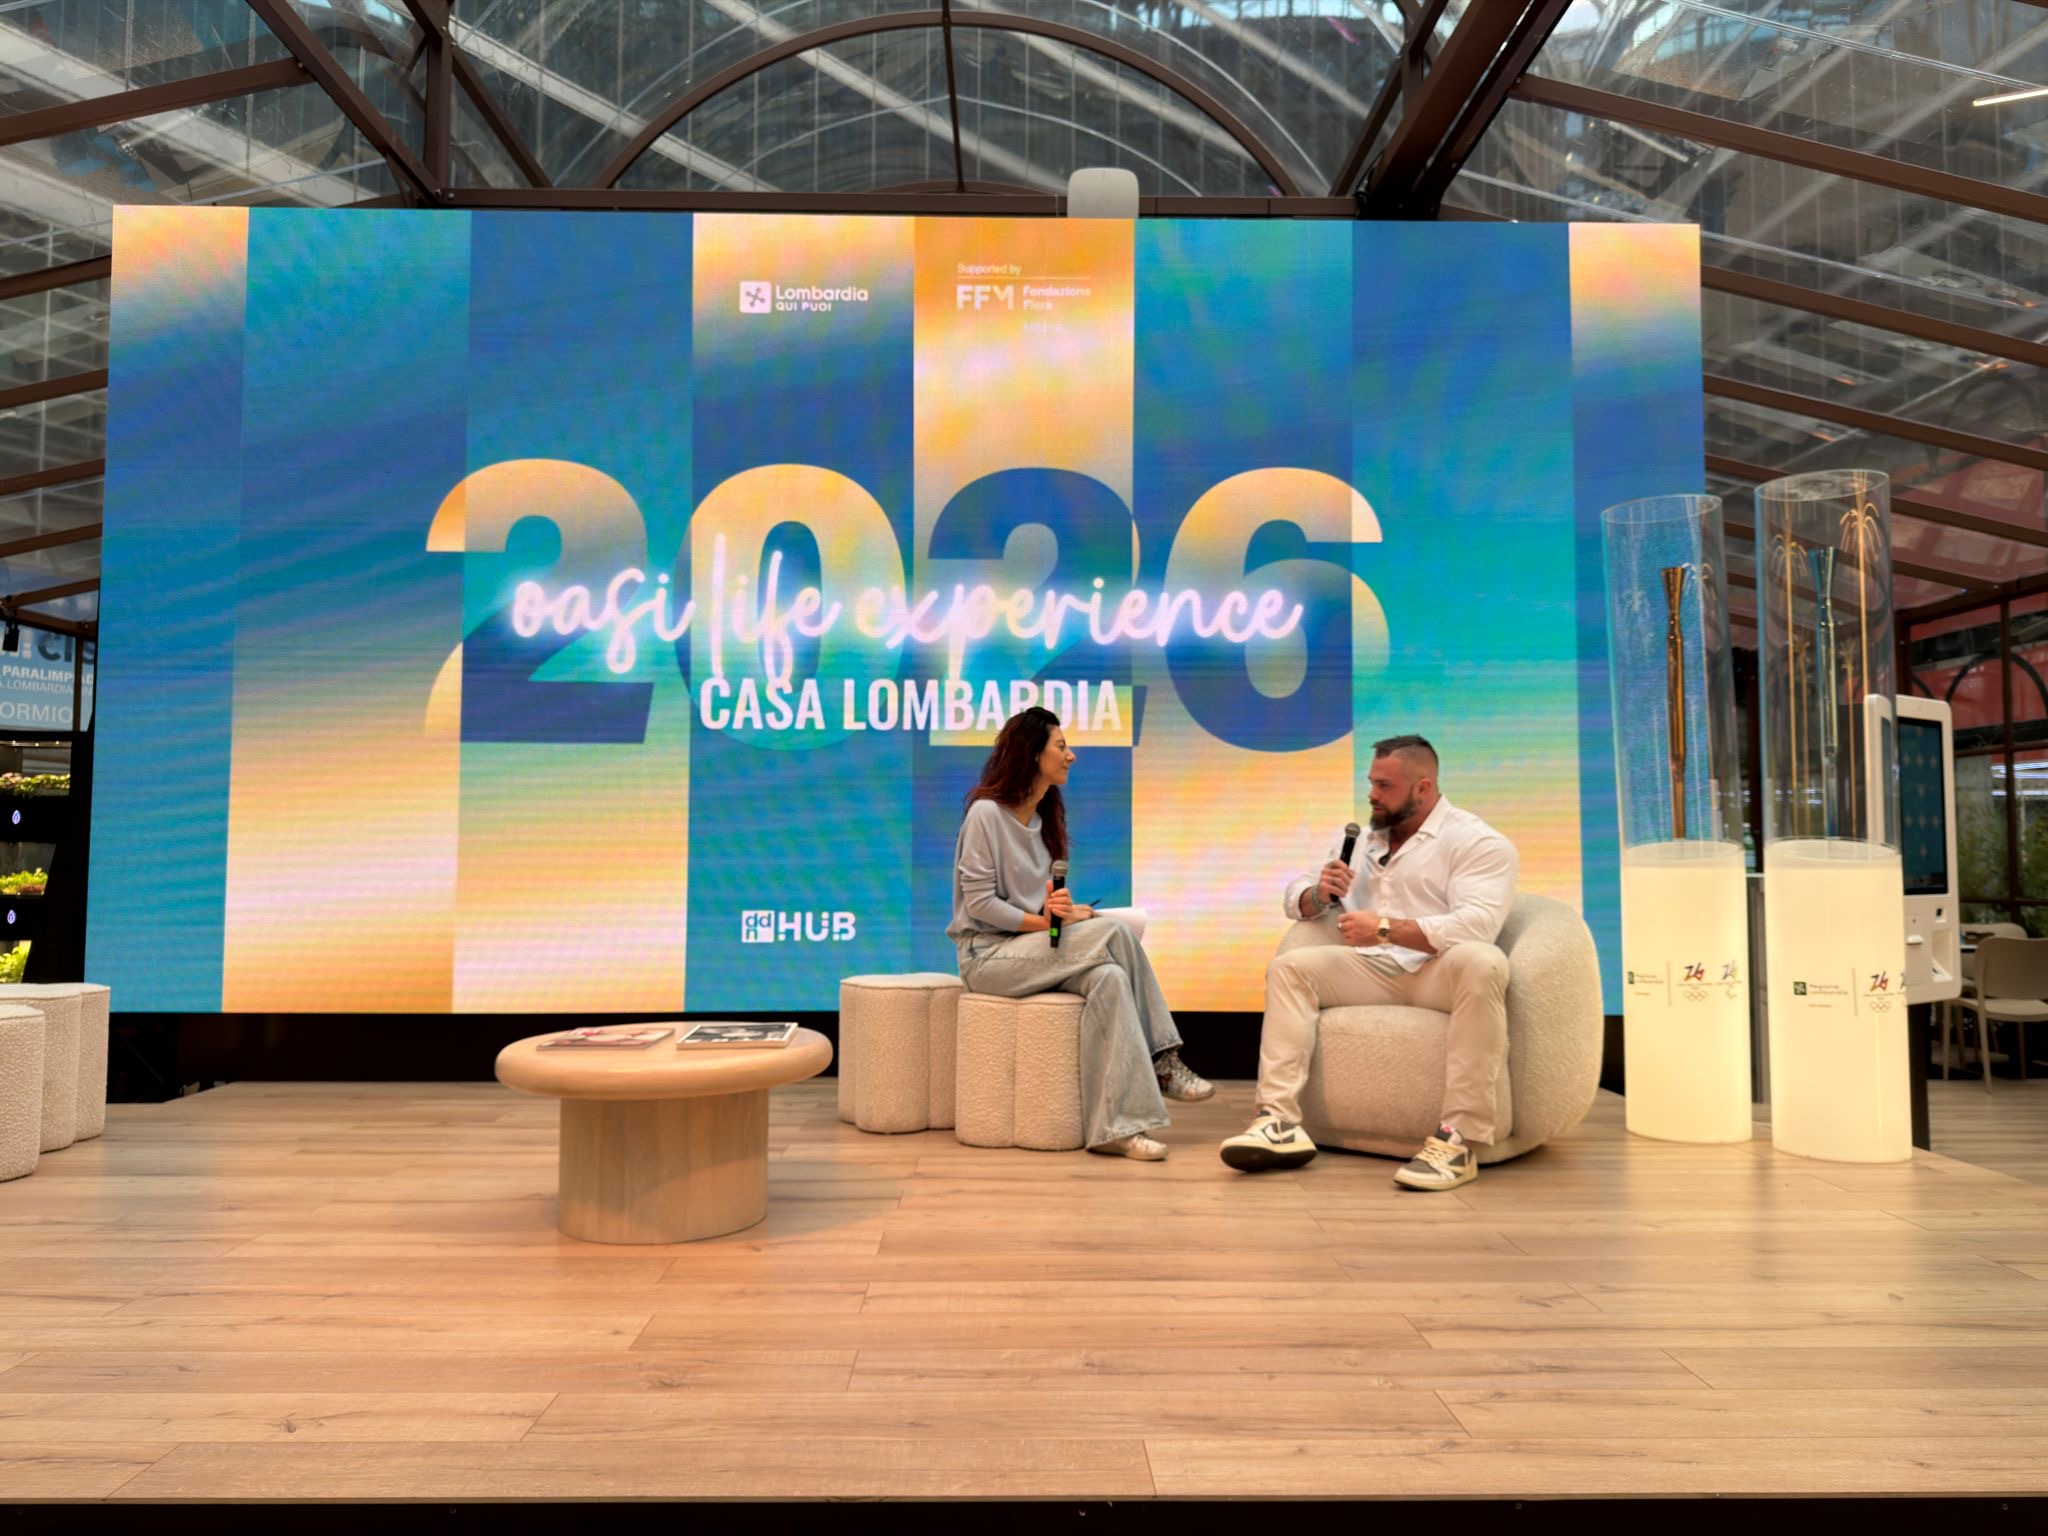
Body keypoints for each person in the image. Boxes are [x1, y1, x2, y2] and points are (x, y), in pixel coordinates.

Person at [1220, 734, 1517, 1189]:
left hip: (1438, 970)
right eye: (1371, 783)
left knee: (1483, 961)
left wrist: (1384, 929)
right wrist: (1319, 894)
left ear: (1423, 787)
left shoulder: (1477, 841)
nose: (1373, 795)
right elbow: (1295, 894)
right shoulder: (1362, 838)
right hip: (1375, 969)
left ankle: (1458, 1141)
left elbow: (1476, 926)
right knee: (1291, 968)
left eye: (1385, 786)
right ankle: (1277, 1121)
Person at [948, 705, 1213, 1160]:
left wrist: (1059, 911)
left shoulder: (1043, 821)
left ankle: (1115, 1130)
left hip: (1031, 951)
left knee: (1109, 978)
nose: (1072, 756)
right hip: (986, 958)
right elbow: (981, 906)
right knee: (1113, 933)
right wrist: (1048, 923)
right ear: (1033, 754)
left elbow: (1033, 907)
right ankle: (1163, 1059)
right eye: (1062, 746)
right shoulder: (985, 815)